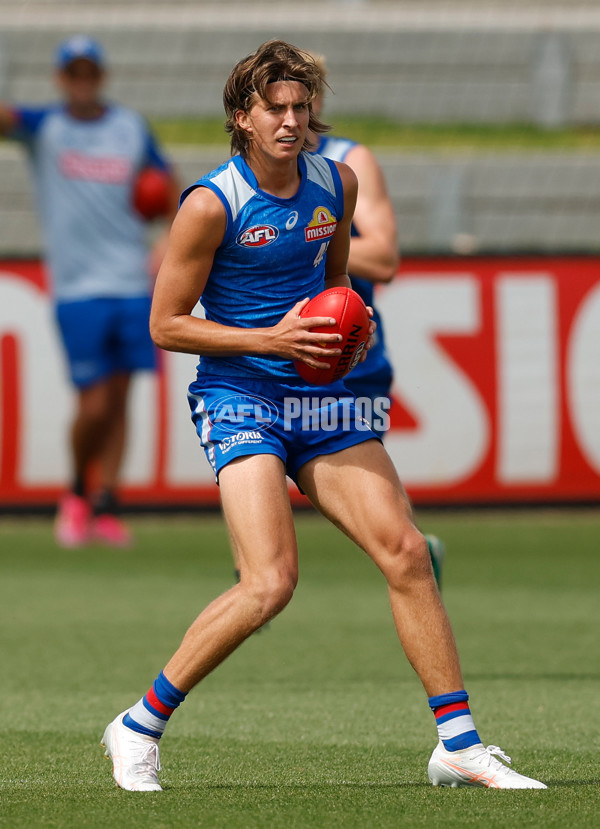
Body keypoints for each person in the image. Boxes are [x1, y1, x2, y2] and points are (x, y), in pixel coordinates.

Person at [100, 40, 546, 791]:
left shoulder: (335, 183)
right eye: (274, 108)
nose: (291, 120)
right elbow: (166, 324)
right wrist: (268, 338)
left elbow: (338, 281)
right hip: (239, 394)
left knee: (406, 551)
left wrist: (352, 325)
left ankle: (458, 744)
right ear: (241, 118)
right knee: (269, 582)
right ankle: (138, 724)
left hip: (319, 395)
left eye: (301, 107)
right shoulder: (211, 204)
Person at [0, 35, 180, 548]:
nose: (82, 81)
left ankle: (107, 504)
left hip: (131, 282)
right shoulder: (46, 127)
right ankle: (78, 490)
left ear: (99, 76)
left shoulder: (129, 127)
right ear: (61, 79)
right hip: (78, 288)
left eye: (89, 72)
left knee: (122, 398)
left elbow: (171, 188)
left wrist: (167, 242)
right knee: (94, 402)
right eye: (73, 73)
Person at [311, 55, 447, 586]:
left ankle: (416, 551)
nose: (294, 114)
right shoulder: (247, 178)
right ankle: (252, 571)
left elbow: (385, 256)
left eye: (306, 96)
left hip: (350, 345)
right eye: (277, 100)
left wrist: (306, 239)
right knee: (257, 456)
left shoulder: (348, 161)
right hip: (286, 344)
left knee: (371, 497)